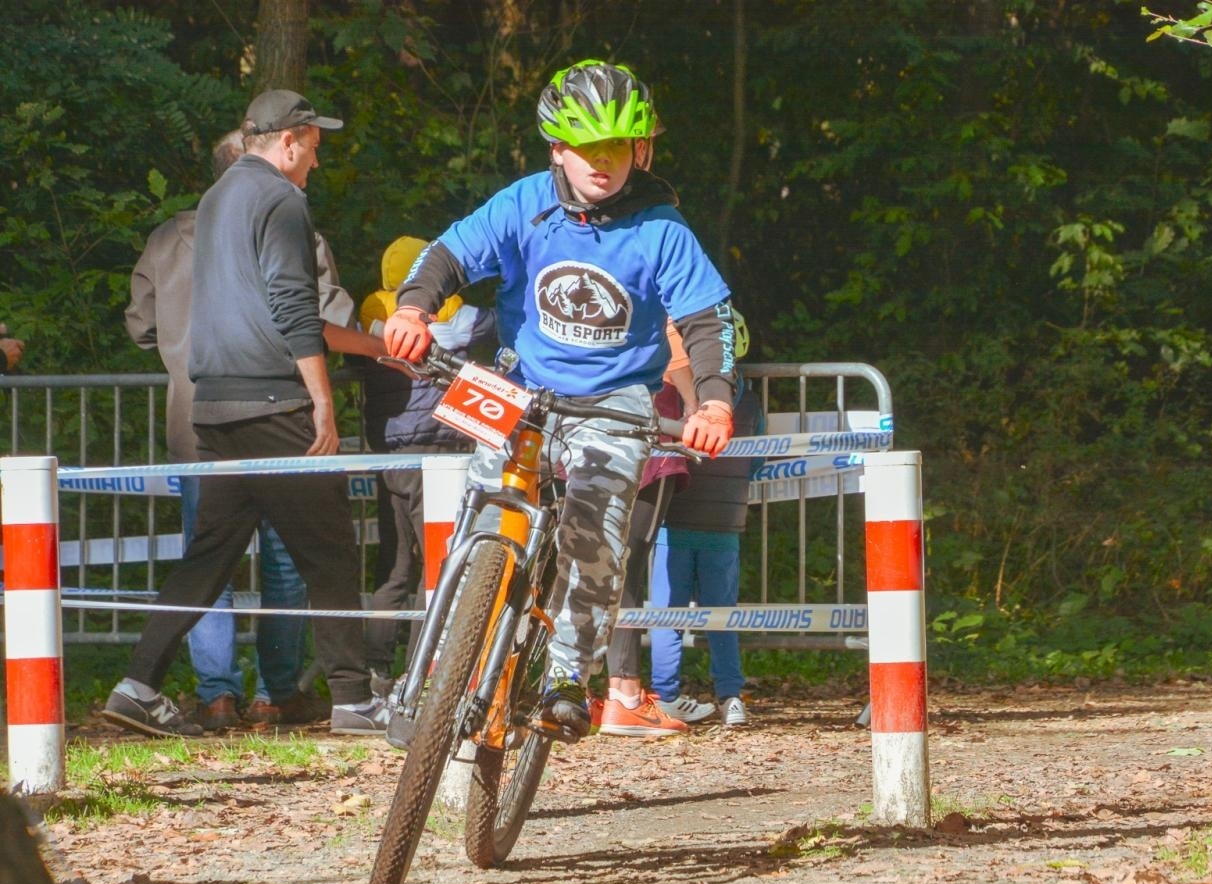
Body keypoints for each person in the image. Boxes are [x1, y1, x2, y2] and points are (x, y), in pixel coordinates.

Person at [383, 60, 740, 747]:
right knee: (479, 514)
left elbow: (707, 322)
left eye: (615, 148)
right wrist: (412, 309)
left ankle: (568, 679)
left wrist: (715, 405)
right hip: (520, 389)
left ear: (637, 149)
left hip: (614, 401)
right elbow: (447, 256)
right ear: (557, 148)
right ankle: (434, 671)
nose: (601, 164)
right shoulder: (522, 205)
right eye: (586, 149)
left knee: (595, 530)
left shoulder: (661, 228)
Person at [102, 89, 381, 739]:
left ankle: (138, 683)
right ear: (288, 142)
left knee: (209, 554)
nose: (316, 163)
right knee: (331, 551)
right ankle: (353, 698)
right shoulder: (283, 200)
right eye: (313, 149)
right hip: (272, 397)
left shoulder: (217, 198)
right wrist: (322, 402)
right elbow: (292, 304)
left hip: (214, 403)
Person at [356, 235, 495, 690]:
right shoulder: (462, 317)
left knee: (394, 564)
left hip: (390, 454)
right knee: (437, 560)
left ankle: (375, 667)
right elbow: (501, 327)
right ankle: (422, 668)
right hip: (444, 453)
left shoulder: (370, 318)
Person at [594, 320, 698, 737]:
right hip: (645, 442)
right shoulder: (654, 277)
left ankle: (570, 686)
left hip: (584, 436)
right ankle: (625, 695)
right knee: (627, 568)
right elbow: (675, 356)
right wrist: (695, 405)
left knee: (585, 563)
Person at [649, 351, 763, 729]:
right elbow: (758, 461)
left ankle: (664, 697)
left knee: (668, 616)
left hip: (673, 519)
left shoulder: (672, 395)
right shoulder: (749, 402)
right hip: (726, 520)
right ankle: (731, 697)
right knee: (722, 617)